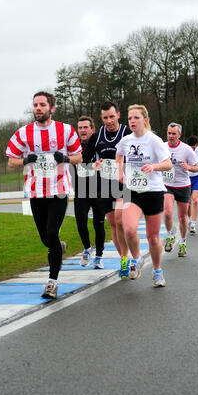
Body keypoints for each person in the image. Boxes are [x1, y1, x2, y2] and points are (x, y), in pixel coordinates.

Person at [6, 91, 82, 299]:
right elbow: (11, 160)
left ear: (52, 108)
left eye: (42, 105)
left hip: (58, 190)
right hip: (36, 191)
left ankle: (52, 282)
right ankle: (59, 247)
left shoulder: (65, 130)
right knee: (46, 238)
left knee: (51, 231)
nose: (38, 108)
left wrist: (64, 158)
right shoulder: (24, 133)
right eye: (35, 105)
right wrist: (25, 160)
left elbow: (78, 157)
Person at [116, 104, 172, 287]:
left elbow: (168, 164)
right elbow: (119, 155)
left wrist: (154, 166)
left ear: (145, 120)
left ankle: (157, 271)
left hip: (153, 191)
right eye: (130, 118)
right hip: (132, 190)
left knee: (153, 237)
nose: (132, 121)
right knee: (129, 229)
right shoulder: (125, 140)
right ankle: (137, 259)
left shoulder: (153, 140)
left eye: (136, 118)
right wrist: (120, 172)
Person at [82, 101, 131, 278]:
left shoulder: (127, 132)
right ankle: (123, 259)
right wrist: (92, 165)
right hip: (104, 184)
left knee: (119, 219)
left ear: (118, 115)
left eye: (112, 116)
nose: (109, 121)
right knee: (112, 223)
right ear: (101, 118)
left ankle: (126, 257)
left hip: (125, 183)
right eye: (105, 118)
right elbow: (84, 160)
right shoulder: (97, 136)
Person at [72, 116, 106, 269]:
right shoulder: (74, 147)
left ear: (92, 129)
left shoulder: (99, 146)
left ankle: (99, 256)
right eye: (80, 128)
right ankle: (87, 248)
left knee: (98, 225)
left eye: (86, 127)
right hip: (81, 191)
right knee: (80, 222)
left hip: (98, 190)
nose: (83, 130)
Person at [163, 123, 198, 257]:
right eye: (169, 133)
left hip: (183, 186)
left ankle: (183, 243)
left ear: (179, 135)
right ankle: (170, 235)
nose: (171, 136)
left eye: (174, 133)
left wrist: (188, 167)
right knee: (167, 213)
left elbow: (197, 168)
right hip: (167, 185)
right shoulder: (162, 146)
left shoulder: (186, 149)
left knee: (183, 218)